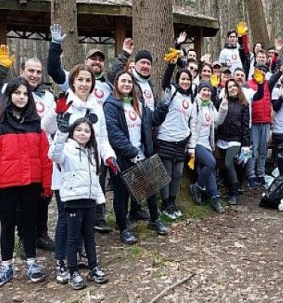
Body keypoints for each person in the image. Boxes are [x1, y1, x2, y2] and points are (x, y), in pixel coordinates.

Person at [42, 64, 116, 282]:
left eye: (88, 80)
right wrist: (57, 110)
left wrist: (109, 156)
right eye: (80, 80)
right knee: (66, 219)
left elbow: (102, 139)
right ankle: (62, 261)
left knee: (85, 218)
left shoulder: (96, 107)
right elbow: (46, 126)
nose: (84, 84)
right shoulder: (65, 103)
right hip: (65, 169)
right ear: (73, 81)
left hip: (89, 171)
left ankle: (80, 256)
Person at [0, 46, 57, 254]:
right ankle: (24, 239)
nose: (34, 75)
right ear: (22, 72)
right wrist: (1, 69)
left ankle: (40, 234)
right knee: (17, 209)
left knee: (41, 202)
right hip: (13, 160)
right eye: (31, 71)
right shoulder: (10, 88)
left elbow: (50, 128)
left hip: (40, 156)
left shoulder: (47, 95)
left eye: (38, 72)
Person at [0, 77, 52, 289]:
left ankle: (32, 263)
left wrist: (47, 184)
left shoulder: (35, 123)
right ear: (9, 95)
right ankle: (6, 266)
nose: (21, 97)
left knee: (29, 224)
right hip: (6, 185)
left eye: (25, 94)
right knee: (7, 226)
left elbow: (44, 156)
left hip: (31, 183)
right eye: (17, 93)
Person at [104, 70, 169, 245]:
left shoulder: (138, 104)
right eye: (123, 81)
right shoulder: (110, 105)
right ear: (116, 83)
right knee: (121, 194)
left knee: (151, 189)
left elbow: (153, 120)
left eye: (129, 82)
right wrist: (130, 151)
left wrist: (163, 105)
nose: (126, 84)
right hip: (121, 157)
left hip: (142, 154)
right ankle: (123, 228)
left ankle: (154, 220)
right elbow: (113, 133)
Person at [48, 117, 108, 290]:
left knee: (89, 236)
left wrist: (99, 199)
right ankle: (73, 271)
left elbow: (95, 178)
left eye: (87, 131)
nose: (83, 133)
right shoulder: (66, 149)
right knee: (73, 237)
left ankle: (93, 266)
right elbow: (53, 155)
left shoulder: (92, 151)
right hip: (73, 200)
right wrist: (61, 133)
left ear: (91, 135)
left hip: (89, 199)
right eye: (79, 130)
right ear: (73, 131)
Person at [155, 54, 197, 220]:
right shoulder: (171, 91)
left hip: (181, 140)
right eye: (183, 79)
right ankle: (164, 203)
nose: (185, 82)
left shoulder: (191, 97)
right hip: (166, 137)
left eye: (188, 79)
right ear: (178, 80)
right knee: (166, 173)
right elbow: (165, 82)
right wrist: (172, 65)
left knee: (178, 173)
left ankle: (173, 201)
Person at [188, 82, 224, 213]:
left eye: (208, 91)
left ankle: (214, 198)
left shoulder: (210, 106)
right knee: (211, 162)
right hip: (195, 144)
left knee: (210, 169)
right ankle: (197, 187)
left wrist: (224, 106)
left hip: (207, 144)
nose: (206, 93)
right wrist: (191, 147)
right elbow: (192, 126)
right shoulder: (195, 105)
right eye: (204, 90)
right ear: (199, 92)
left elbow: (218, 121)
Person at [215, 79, 251, 205]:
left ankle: (234, 193)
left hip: (236, 139)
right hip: (222, 138)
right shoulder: (223, 102)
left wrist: (246, 144)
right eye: (229, 87)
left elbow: (245, 125)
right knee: (225, 167)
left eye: (234, 86)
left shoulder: (244, 104)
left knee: (229, 163)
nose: (232, 88)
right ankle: (228, 189)